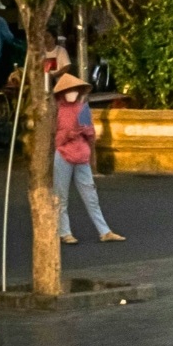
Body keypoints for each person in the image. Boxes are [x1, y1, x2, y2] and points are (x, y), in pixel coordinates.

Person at [50, 73, 122, 244]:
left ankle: (104, 231)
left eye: (75, 89)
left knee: (91, 195)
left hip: (82, 155)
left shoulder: (83, 108)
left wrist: (86, 134)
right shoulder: (56, 111)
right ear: (63, 92)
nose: (73, 92)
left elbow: (90, 133)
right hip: (63, 155)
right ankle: (64, 232)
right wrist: (69, 134)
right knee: (61, 196)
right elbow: (54, 139)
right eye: (70, 90)